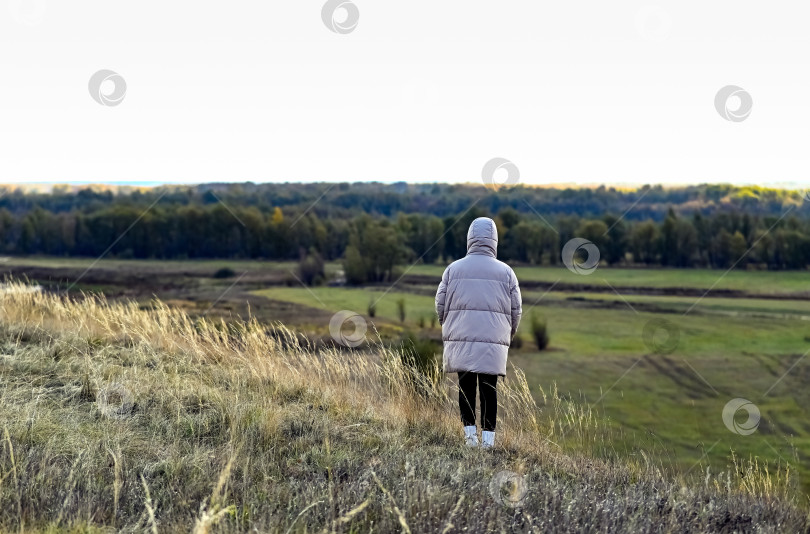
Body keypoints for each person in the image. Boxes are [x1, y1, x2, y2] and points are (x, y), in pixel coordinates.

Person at [435, 217, 522, 448]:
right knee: (489, 388)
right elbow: (516, 309)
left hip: (460, 336)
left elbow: (440, 305)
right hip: (493, 340)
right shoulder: (506, 272)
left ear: (470, 239)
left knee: (465, 387)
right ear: (494, 240)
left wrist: (448, 325)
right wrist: (508, 334)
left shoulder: (453, 269)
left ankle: (470, 439)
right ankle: (488, 442)